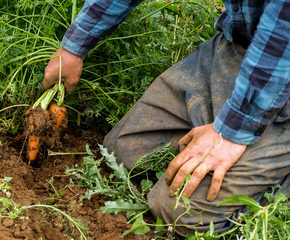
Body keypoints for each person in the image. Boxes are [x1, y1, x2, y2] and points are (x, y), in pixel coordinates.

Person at [42, 0, 290, 236]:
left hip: (282, 68)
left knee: (181, 212)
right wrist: (74, 47)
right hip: (239, 50)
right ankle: (225, 153)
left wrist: (231, 132)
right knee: (123, 150)